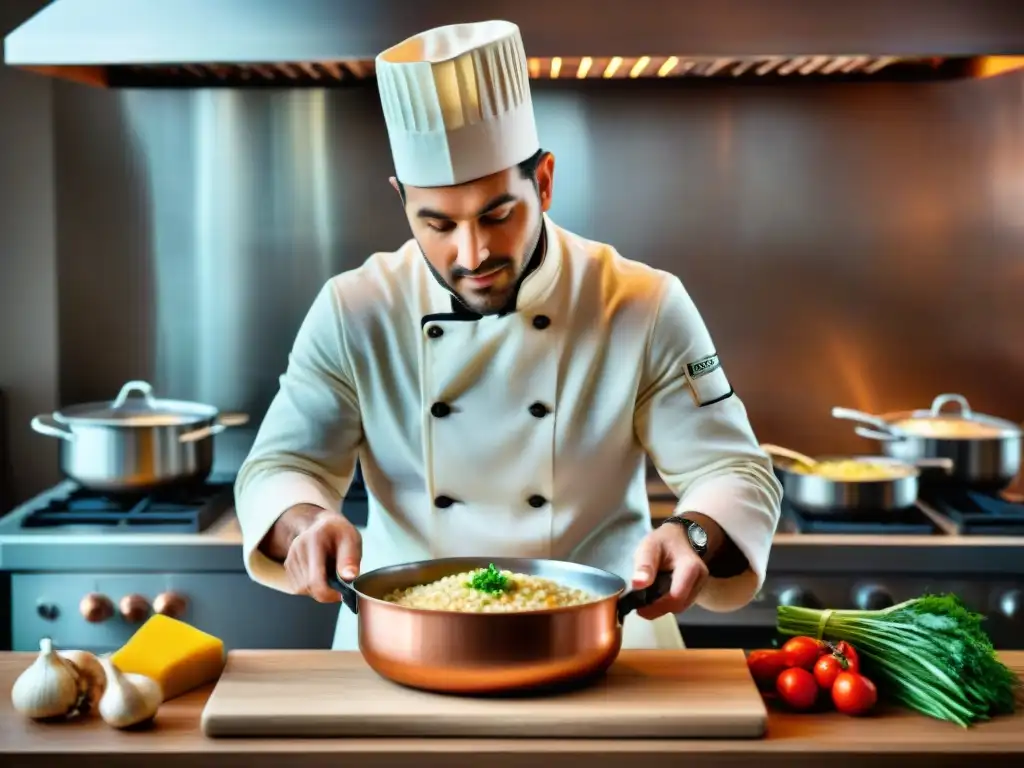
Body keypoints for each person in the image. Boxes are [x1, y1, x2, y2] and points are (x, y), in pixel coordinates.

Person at [235, 19, 782, 651]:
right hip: (400, 645)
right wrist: (306, 523)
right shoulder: (354, 308)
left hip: (604, 642)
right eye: (436, 223)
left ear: (544, 181)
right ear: (402, 200)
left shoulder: (642, 302)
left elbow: (735, 468)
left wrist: (689, 535)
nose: (472, 253)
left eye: (498, 215)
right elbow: (279, 466)